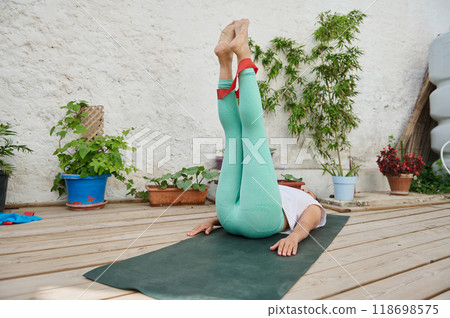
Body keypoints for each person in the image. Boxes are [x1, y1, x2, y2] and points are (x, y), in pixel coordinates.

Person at [187, 19, 326, 257]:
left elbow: (311, 217)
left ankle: (238, 56)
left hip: (253, 219)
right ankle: (225, 61)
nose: (309, 194)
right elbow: (249, 201)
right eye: (309, 193)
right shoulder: (282, 195)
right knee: (236, 135)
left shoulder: (310, 202)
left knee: (248, 133)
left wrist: (295, 237)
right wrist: (214, 220)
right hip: (230, 216)